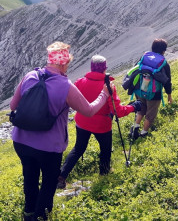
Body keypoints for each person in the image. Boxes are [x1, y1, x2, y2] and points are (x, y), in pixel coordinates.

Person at [10, 42, 111, 221]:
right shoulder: (65, 85)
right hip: (49, 147)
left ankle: (28, 213)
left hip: (21, 140)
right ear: (64, 63)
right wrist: (104, 94)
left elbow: (13, 105)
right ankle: (41, 216)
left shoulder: (30, 75)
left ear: (49, 61)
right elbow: (88, 111)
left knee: (30, 176)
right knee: (49, 182)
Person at [57, 55, 142, 189]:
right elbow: (117, 111)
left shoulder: (80, 82)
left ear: (91, 68)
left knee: (79, 148)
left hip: (82, 121)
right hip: (101, 125)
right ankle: (104, 174)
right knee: (105, 149)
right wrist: (133, 107)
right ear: (104, 69)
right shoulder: (108, 86)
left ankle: (61, 176)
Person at [130, 38, 172, 139]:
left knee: (141, 108)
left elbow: (136, 69)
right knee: (150, 114)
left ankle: (135, 128)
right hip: (154, 93)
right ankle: (144, 133)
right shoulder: (164, 63)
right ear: (163, 50)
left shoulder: (144, 57)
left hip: (140, 89)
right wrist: (169, 95)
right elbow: (167, 81)